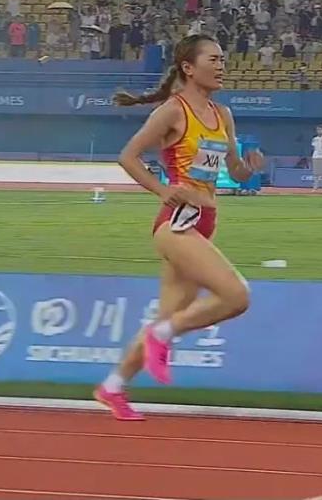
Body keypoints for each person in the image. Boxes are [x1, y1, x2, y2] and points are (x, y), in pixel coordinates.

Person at [94, 34, 265, 421]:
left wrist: (249, 168)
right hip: (176, 225)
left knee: (168, 316)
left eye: (223, 59)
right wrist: (163, 190)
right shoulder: (173, 111)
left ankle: (112, 387)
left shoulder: (223, 114)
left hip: (205, 221)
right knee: (236, 295)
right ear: (189, 67)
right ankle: (162, 337)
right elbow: (128, 156)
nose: (221, 66)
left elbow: (234, 171)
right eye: (213, 59)